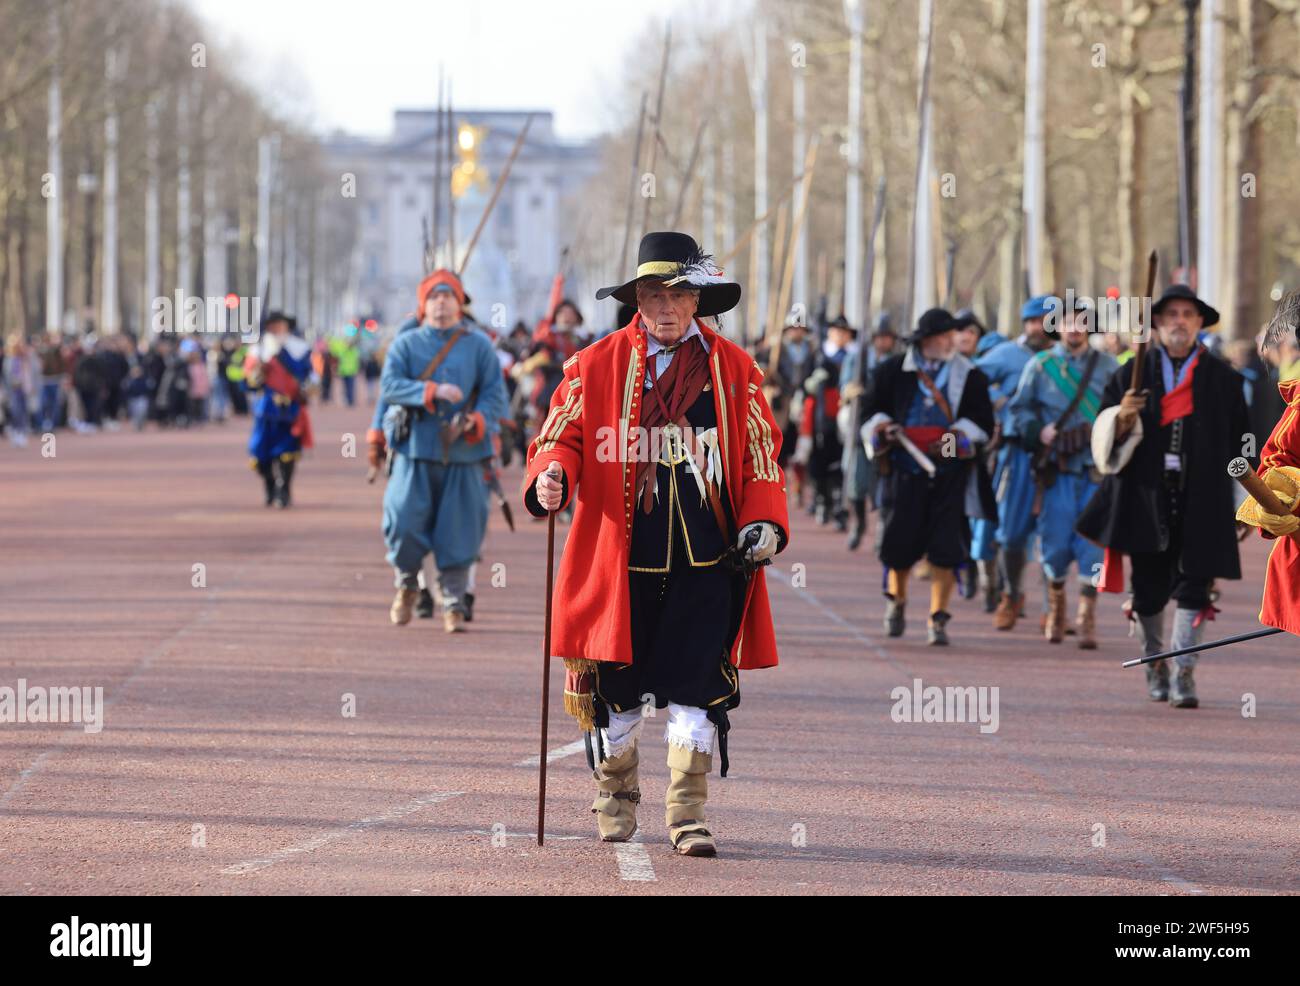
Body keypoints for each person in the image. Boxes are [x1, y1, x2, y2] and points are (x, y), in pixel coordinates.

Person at [523, 231, 788, 857]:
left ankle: (688, 816)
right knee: (618, 689)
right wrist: (551, 475)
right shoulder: (594, 364)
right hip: (622, 555)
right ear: (636, 299)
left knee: (697, 684)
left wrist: (766, 522)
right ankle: (614, 800)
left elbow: (760, 454)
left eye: (677, 293)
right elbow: (559, 438)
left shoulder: (734, 368)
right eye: (652, 293)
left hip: (708, 553)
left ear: (697, 299)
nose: (665, 306)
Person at [1078, 284, 1248, 707]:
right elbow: (1102, 441)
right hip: (1145, 497)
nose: (1178, 321)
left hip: (1203, 500)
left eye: (1187, 314)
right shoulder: (1131, 374)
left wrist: (1249, 503)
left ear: (1198, 324)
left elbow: (1243, 444)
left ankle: (1184, 673)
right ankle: (1155, 661)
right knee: (1150, 591)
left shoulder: (1222, 378)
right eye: (1170, 313)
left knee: (1196, 588)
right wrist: (1123, 416)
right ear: (1156, 322)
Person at [380, 270, 507, 633]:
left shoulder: (479, 344)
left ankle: (453, 601)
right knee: (402, 522)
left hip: (465, 452)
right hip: (415, 449)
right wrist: (430, 392)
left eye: (449, 296)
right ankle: (406, 584)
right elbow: (389, 386)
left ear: (459, 303)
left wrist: (478, 419)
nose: (441, 303)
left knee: (460, 529)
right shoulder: (406, 344)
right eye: (434, 297)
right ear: (424, 304)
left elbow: (494, 394)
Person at [863, 308, 995, 645]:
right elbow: (869, 412)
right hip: (903, 469)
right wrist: (883, 428)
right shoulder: (890, 371)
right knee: (898, 543)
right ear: (926, 341)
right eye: (945, 335)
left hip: (949, 474)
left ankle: (938, 617)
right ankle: (897, 601)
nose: (953, 340)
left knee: (947, 546)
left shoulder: (972, 376)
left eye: (954, 335)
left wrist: (950, 443)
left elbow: (982, 422)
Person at [1006, 300, 1117, 648]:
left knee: (1094, 545)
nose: (1074, 327)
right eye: (1067, 321)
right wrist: (1038, 431)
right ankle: (1056, 606)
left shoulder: (1110, 366)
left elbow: (1122, 411)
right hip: (1057, 469)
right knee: (1053, 541)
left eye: (1081, 321)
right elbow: (1019, 409)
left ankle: (1087, 614)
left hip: (1096, 469)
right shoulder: (1041, 367)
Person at [976, 296, 1054, 629]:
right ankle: (1011, 593)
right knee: (1010, 533)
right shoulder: (1006, 354)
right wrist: (998, 401)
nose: (1039, 327)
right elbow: (972, 380)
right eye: (1033, 321)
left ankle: (1054, 607)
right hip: (1017, 453)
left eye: (1046, 321)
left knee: (1057, 533)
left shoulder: (1069, 360)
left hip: (1059, 455)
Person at [838, 314, 897, 550]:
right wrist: (851, 390)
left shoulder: (897, 362)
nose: (884, 342)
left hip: (885, 428)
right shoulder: (857, 359)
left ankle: (882, 530)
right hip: (860, 424)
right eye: (880, 337)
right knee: (856, 480)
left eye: (888, 337)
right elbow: (845, 387)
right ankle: (859, 524)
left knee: (885, 482)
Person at [244, 313, 314, 508]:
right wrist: (257, 373)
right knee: (260, 455)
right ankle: (270, 485)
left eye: (279, 325)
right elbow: (247, 383)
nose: (276, 329)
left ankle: (284, 491)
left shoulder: (298, 348)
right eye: (272, 326)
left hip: (289, 408)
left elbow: (304, 374)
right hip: (265, 410)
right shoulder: (257, 350)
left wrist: (281, 355)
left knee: (287, 453)